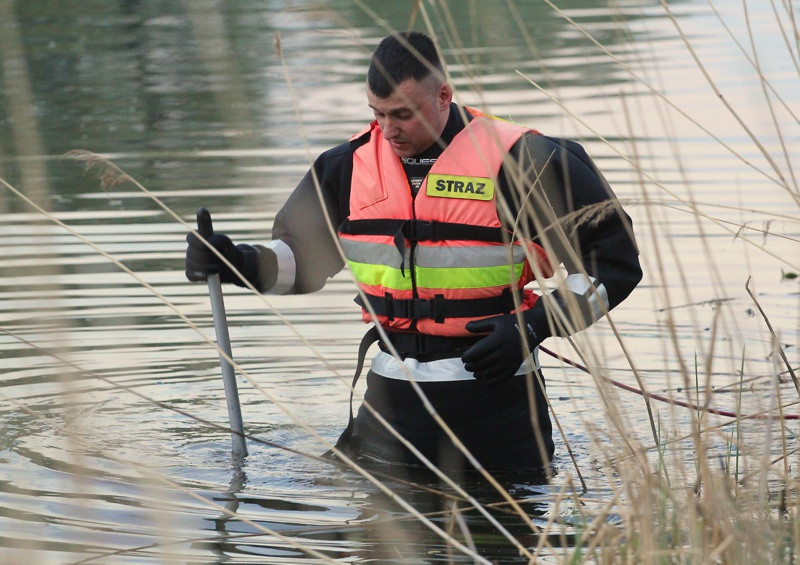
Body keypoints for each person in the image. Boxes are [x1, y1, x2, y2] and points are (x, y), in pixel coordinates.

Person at [186, 31, 642, 475]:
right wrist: (237, 262)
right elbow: (299, 265)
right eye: (377, 113)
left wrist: (535, 325)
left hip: (499, 412)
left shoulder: (526, 160)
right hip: (390, 411)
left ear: (444, 95)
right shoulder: (343, 167)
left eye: (402, 114)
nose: (387, 129)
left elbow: (614, 266)